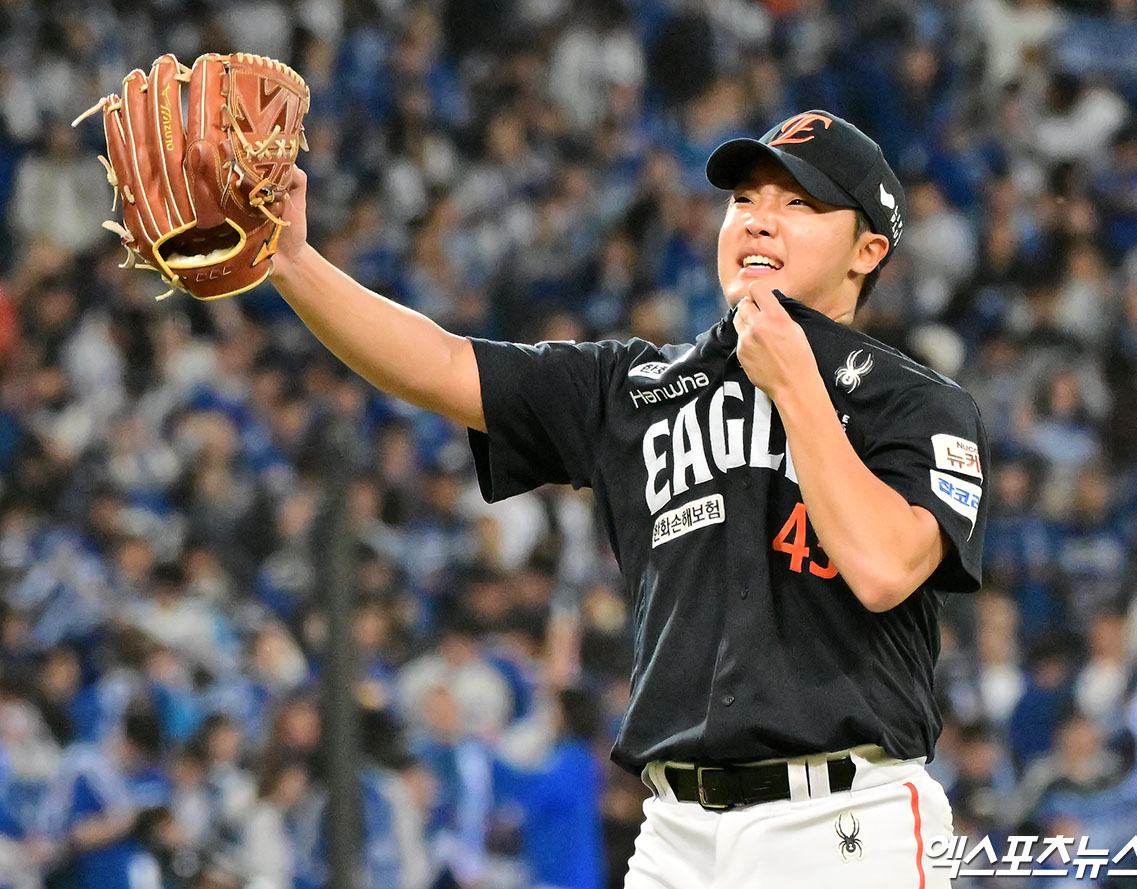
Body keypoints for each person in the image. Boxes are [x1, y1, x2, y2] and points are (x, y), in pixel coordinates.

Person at [269, 109, 990, 888]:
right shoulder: (637, 388)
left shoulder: (915, 405)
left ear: (868, 250)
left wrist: (795, 386)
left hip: (841, 821)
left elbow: (883, 567)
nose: (759, 221)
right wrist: (293, 263)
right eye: (745, 200)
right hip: (677, 831)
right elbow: (443, 365)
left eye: (799, 205)